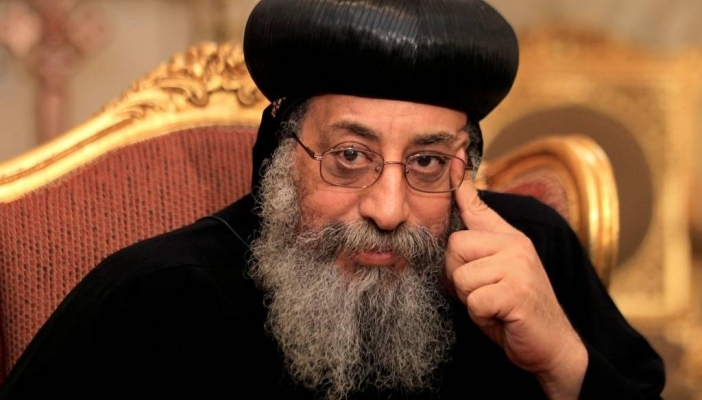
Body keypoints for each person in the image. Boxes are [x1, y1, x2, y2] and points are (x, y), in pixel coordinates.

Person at [0, 0, 664, 399]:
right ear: (281, 154)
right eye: (350, 156)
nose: (389, 209)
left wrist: (563, 364)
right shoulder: (154, 299)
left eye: (427, 162)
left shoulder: (530, 253)